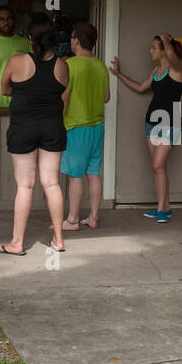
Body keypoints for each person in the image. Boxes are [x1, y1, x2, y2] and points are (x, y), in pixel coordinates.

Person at [0, 16, 70, 256]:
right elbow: (61, 93)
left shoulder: (17, 61)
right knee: (51, 182)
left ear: (30, 38)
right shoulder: (62, 65)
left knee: (25, 186)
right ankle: (58, 240)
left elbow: (4, 89)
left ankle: (17, 244)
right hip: (52, 127)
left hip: (23, 128)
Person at [110, 32, 182, 223]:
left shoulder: (177, 69)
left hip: (170, 124)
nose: (150, 51)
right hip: (151, 123)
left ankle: (161, 210)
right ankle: (164, 208)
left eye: (153, 48)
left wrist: (167, 40)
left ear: (164, 51)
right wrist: (118, 74)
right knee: (159, 168)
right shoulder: (156, 71)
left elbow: (174, 57)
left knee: (157, 165)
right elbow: (141, 88)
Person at [60, 21, 110, 231]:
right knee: (93, 173)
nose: (71, 40)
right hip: (97, 126)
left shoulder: (70, 65)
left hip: (76, 126)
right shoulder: (101, 66)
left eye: (72, 37)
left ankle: (72, 220)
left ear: (77, 41)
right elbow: (106, 97)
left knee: (75, 175)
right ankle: (93, 217)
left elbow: (63, 98)